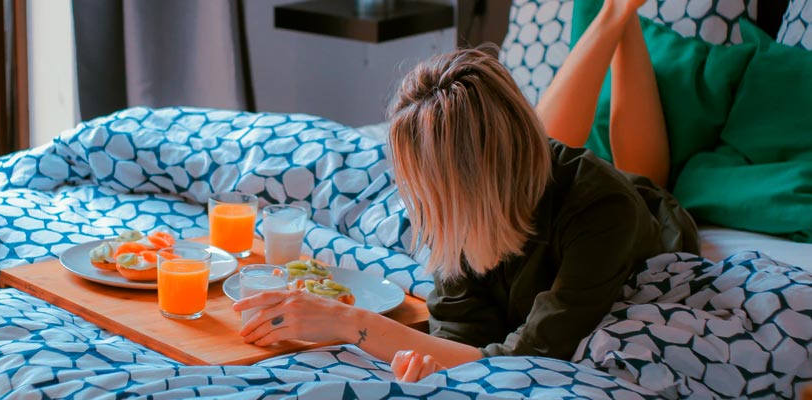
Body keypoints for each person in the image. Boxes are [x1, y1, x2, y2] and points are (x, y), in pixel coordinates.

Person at [232, 0, 699, 383]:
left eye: (428, 186)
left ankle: (620, 15)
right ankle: (618, 14)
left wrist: (352, 325)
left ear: (466, 183)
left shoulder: (602, 211)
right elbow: (460, 331)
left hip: (637, 208)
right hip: (518, 181)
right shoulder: (455, 208)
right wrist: (435, 359)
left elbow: (534, 355)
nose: (416, 202)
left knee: (637, 174)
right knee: (547, 144)